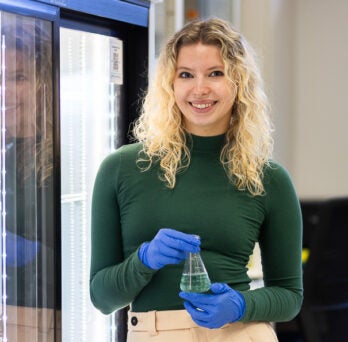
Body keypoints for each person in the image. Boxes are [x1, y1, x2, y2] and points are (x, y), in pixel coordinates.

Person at [90, 17, 303, 341]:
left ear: (238, 82)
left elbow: (289, 297)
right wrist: (144, 260)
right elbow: (102, 298)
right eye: (186, 75)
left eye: (216, 73)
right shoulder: (121, 169)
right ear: (170, 84)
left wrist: (240, 305)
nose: (200, 88)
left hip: (240, 333)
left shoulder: (268, 178)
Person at [0, 15, 59, 341]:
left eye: (19, 77)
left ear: (44, 83)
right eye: (0, 78)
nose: (6, 91)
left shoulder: (62, 158)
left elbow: (84, 262)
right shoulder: (7, 152)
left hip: (43, 316)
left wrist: (32, 253)